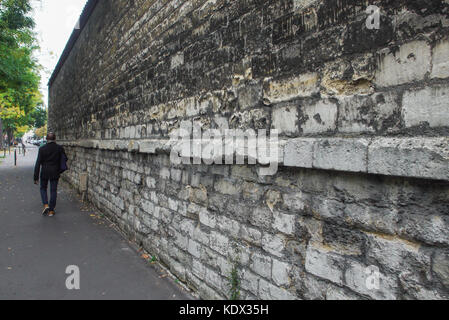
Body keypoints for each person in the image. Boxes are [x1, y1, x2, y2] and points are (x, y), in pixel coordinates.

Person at [34, 132, 67, 217]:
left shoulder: (42, 149)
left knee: (43, 188)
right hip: (55, 171)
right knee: (53, 190)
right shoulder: (59, 148)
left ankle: (46, 205)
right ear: (55, 139)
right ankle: (51, 210)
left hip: (44, 172)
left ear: (46, 139)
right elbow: (65, 159)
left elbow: (38, 163)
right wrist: (60, 169)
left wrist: (36, 177)